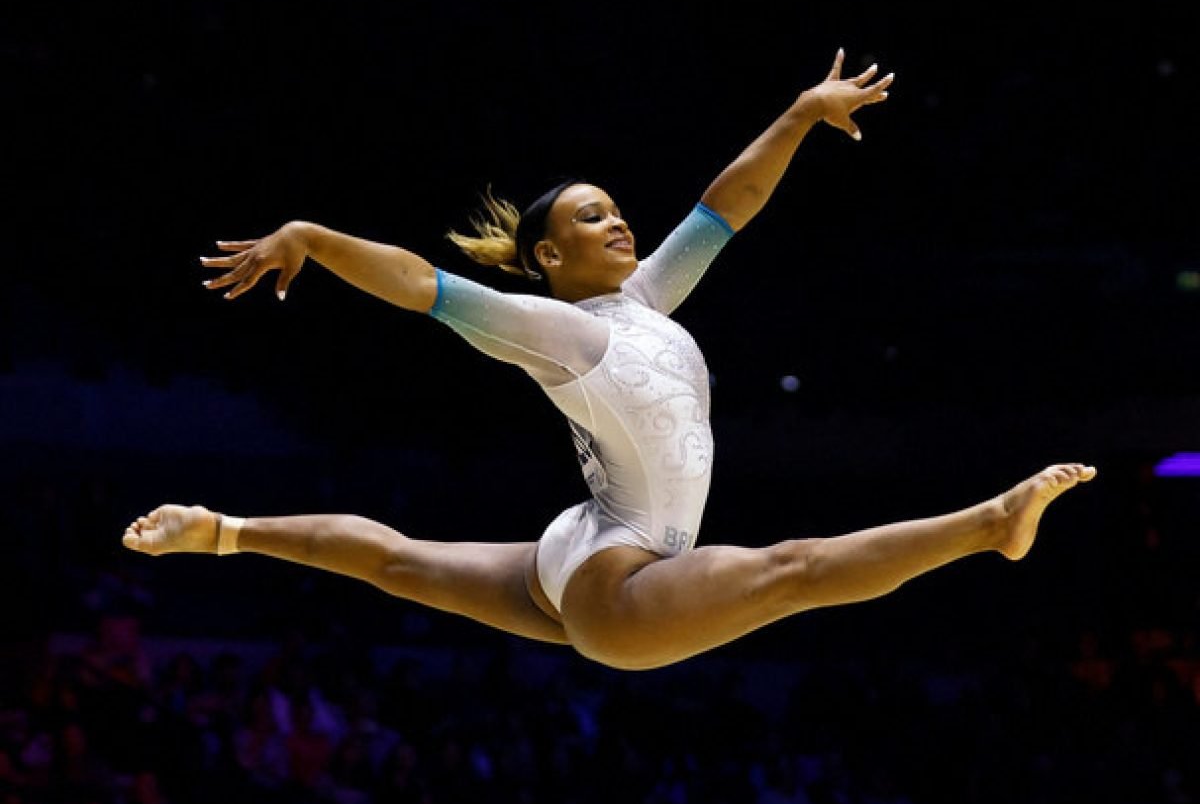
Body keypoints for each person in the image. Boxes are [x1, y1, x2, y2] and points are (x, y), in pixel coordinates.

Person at [123, 50, 1095, 671]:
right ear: (550, 258)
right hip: (619, 586)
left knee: (395, 560)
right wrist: (315, 237)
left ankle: (221, 530)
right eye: (592, 216)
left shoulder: (640, 304)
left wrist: (800, 115)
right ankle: (990, 524)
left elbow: (724, 209)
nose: (619, 219)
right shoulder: (553, 332)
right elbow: (421, 283)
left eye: (616, 206)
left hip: (583, 549)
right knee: (794, 570)